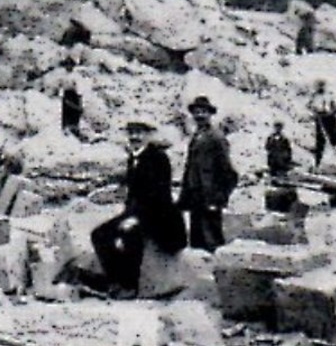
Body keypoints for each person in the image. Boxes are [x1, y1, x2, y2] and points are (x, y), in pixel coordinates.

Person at [90, 116, 185, 297]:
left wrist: (135, 218)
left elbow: (159, 195)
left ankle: (130, 286)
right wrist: (127, 215)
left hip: (161, 217)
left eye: (139, 133)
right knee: (99, 234)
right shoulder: (132, 159)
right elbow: (133, 194)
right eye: (132, 133)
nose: (135, 137)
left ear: (148, 136)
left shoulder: (159, 158)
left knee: (130, 235)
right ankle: (114, 281)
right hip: (138, 212)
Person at [178, 96, 238, 251]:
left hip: (209, 197)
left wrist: (219, 198)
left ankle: (218, 272)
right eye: (196, 112)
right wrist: (184, 197)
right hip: (195, 196)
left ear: (210, 114)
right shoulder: (196, 137)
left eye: (203, 112)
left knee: (211, 239)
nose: (199, 115)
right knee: (196, 239)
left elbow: (229, 173)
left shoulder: (216, 137)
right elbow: (190, 168)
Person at [309, 77, 336, 167]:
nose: (320, 87)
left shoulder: (329, 95)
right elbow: (310, 107)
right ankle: (318, 162)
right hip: (320, 118)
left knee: (333, 138)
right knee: (320, 140)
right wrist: (314, 113)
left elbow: (334, 106)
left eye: (322, 86)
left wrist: (332, 111)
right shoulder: (314, 96)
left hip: (329, 117)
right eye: (319, 86)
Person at [59, 58, 84, 137]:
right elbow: (61, 88)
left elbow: (79, 89)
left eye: (70, 65)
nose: (68, 67)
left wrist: (80, 103)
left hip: (74, 97)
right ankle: (65, 133)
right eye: (66, 65)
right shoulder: (63, 76)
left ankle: (75, 133)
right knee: (65, 118)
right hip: (66, 97)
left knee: (74, 116)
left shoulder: (76, 76)